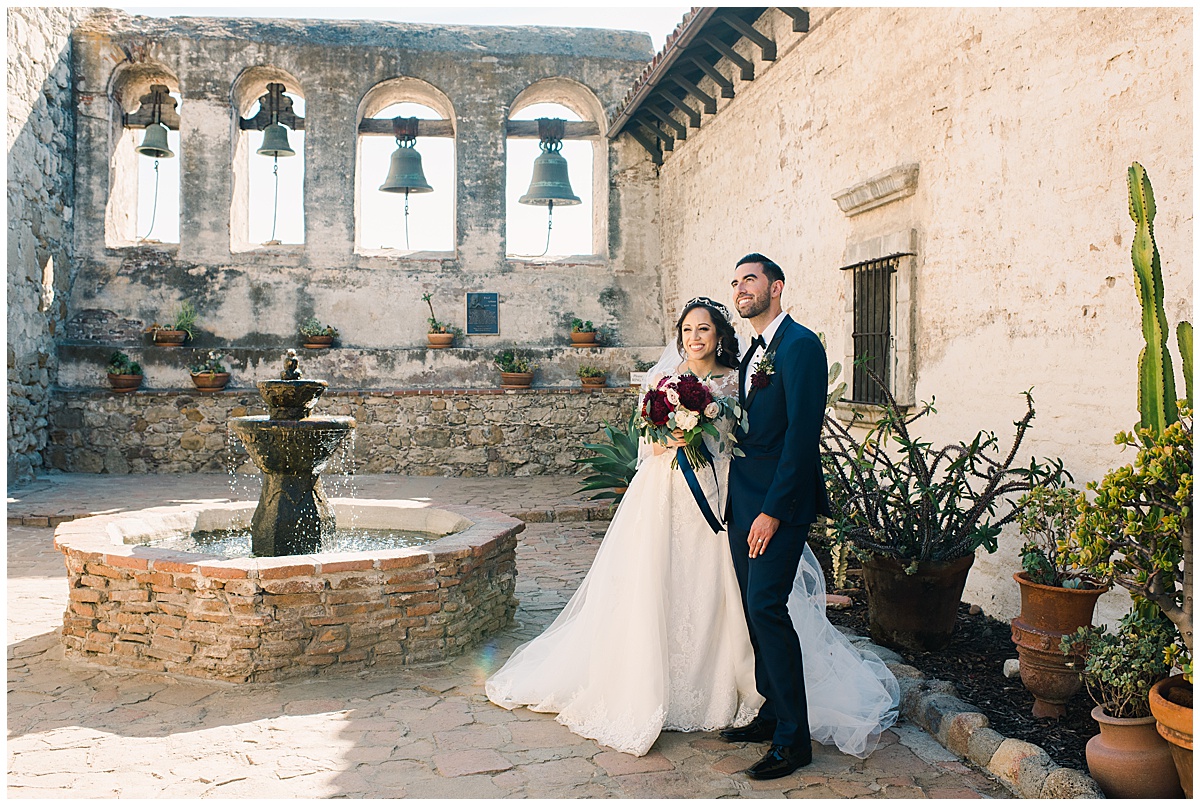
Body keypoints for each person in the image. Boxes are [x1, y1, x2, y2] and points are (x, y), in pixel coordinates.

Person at [485, 293, 898, 765]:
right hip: (665, 495)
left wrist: (707, 425)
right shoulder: (660, 381)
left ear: (719, 335)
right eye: (687, 330)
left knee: (725, 594)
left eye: (704, 329)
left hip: (723, 494)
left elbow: (748, 435)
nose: (695, 337)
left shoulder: (734, 378)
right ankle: (659, 686)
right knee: (661, 586)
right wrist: (672, 436)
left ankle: (734, 693)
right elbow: (647, 443)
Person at [721, 252, 838, 779]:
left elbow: (801, 438)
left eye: (751, 279)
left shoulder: (801, 346)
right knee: (753, 607)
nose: (741, 288)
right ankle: (772, 714)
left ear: (777, 287)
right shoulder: (751, 352)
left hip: (779, 501)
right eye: (736, 282)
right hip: (743, 496)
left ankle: (794, 742)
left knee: (767, 606)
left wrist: (772, 512)